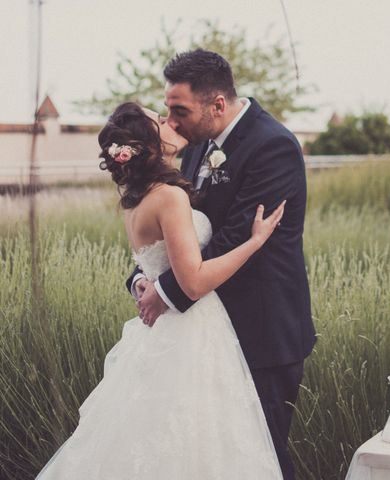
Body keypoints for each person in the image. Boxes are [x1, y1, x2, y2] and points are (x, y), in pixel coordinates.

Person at [37, 102, 285, 478]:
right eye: (161, 121)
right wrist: (254, 242)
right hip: (191, 330)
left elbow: (153, 263)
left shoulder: (136, 199)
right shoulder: (169, 196)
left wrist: (141, 282)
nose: (171, 122)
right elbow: (195, 281)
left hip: (162, 330)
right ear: (149, 145)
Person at [129, 49, 316, 480]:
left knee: (260, 458)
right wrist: (144, 279)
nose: (171, 123)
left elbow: (237, 241)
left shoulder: (273, 146)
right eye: (167, 110)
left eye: (180, 111)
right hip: (201, 337)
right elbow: (174, 233)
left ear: (217, 105)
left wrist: (167, 292)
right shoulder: (196, 147)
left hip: (261, 334)